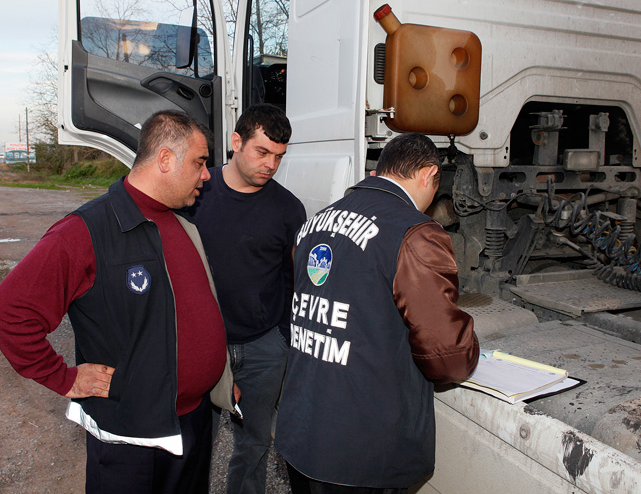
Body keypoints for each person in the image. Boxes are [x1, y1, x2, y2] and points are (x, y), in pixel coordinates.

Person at [0, 110, 237, 493]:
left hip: (193, 421)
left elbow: (193, 313)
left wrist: (219, 377)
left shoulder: (181, 223)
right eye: (199, 162)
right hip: (133, 440)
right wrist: (64, 378)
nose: (207, 174)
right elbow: (10, 312)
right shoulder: (85, 230)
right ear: (164, 159)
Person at [275, 133, 480, 493]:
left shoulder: (314, 222)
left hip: (302, 432)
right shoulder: (415, 233)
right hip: (363, 452)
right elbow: (446, 355)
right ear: (429, 174)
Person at [190, 104, 306, 494]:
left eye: (279, 156)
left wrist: (283, 340)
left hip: (261, 349)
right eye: (262, 152)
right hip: (202, 346)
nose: (271, 164)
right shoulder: (195, 194)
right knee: (192, 445)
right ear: (236, 142)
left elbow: (296, 281)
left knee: (254, 443)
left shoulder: (289, 209)